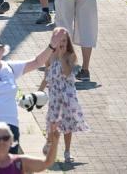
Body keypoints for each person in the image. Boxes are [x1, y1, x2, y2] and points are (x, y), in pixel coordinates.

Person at [0, 32, 62, 156]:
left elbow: (37, 62)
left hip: (9, 123)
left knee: (10, 165)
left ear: (3, 51)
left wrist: (51, 46)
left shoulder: (10, 68)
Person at [37, 28, 88, 164]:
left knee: (67, 125)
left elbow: (66, 72)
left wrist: (61, 56)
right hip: (54, 96)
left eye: (64, 40)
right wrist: (38, 93)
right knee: (53, 123)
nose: (62, 43)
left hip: (67, 96)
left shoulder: (70, 56)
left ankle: (67, 151)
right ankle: (50, 144)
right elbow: (46, 77)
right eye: (59, 40)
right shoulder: (49, 56)